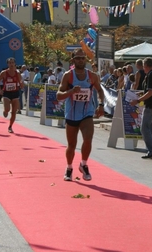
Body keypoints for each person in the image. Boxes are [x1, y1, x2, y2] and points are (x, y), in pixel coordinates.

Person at [56, 49, 105, 182]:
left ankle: (83, 164)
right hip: (71, 113)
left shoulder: (93, 76)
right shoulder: (68, 76)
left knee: (88, 139)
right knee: (71, 145)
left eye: (83, 58)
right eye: (78, 58)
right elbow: (59, 95)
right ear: (73, 60)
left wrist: (101, 105)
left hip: (87, 113)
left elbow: (100, 91)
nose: (81, 60)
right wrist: (71, 91)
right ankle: (69, 167)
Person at [129, 57, 152, 160]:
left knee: (144, 128)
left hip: (151, 105)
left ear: (146, 66)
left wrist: (138, 100)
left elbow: (150, 92)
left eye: (144, 66)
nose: (143, 68)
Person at [0, 57, 23, 133]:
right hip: (6, 93)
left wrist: (22, 84)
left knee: (14, 112)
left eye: (12, 62)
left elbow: (21, 82)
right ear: (7, 64)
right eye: (9, 63)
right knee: (7, 110)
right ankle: (5, 110)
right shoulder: (4, 73)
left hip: (15, 93)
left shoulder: (17, 73)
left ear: (15, 64)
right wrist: (0, 90)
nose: (11, 64)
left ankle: (10, 126)